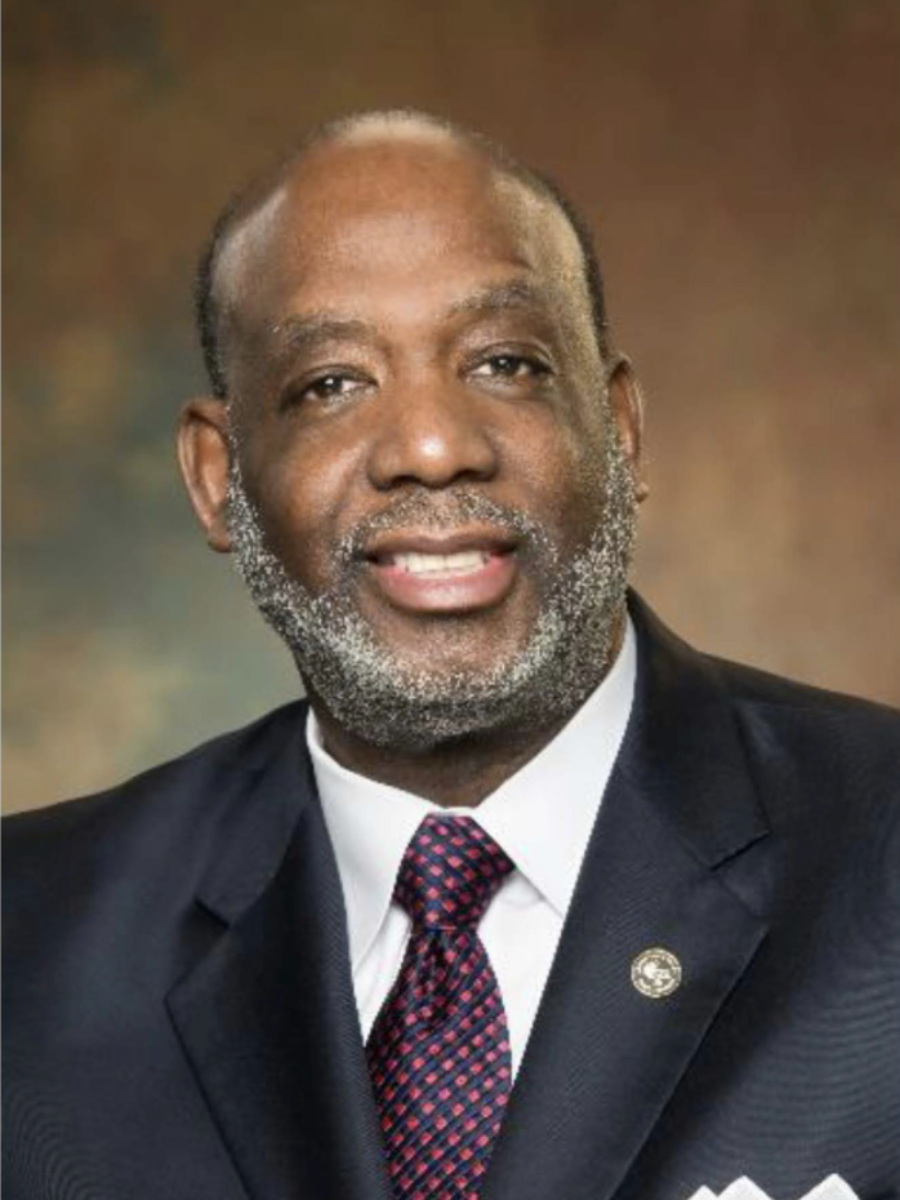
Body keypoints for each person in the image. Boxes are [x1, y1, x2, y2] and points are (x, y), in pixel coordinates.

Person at [3, 110, 898, 1200]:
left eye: (506, 363)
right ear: (218, 478)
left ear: (619, 428)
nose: (432, 448)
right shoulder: (25, 940)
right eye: (331, 384)